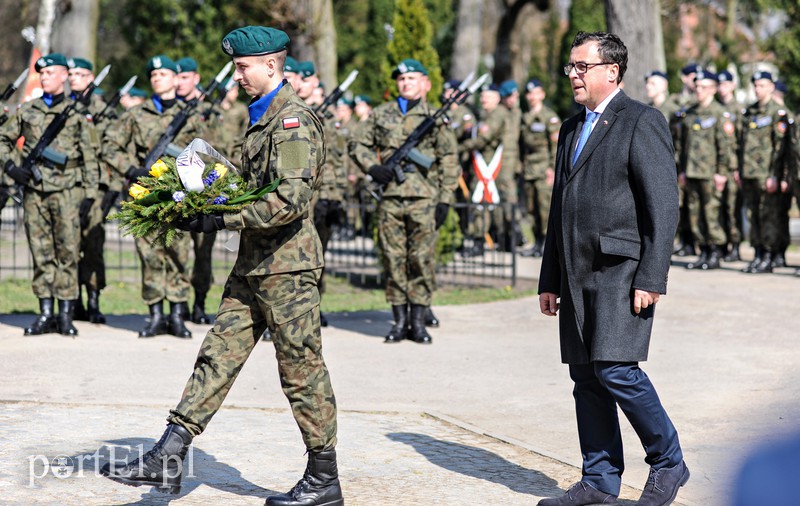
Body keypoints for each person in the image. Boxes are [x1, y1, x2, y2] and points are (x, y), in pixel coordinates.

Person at [101, 26, 342, 506]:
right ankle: (168, 455)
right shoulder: (259, 120)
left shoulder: (292, 122)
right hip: (254, 265)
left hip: (288, 270)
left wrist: (219, 218)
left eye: (244, 68)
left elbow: (290, 201)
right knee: (217, 356)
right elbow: (246, 189)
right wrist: (196, 198)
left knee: (300, 369)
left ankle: (323, 478)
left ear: (271, 65)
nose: (238, 77)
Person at [537, 31, 688, 506]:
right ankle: (599, 479)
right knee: (585, 375)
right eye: (571, 67)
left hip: (621, 270)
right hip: (576, 273)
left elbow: (663, 206)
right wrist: (549, 278)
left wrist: (651, 276)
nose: (574, 76)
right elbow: (559, 207)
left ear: (612, 71)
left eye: (583, 67)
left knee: (617, 369)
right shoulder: (569, 127)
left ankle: (669, 462)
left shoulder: (641, 121)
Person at [349, 58, 459, 344]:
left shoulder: (435, 116)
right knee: (393, 260)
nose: (406, 83)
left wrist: (445, 199)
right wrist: (372, 168)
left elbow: (449, 159)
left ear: (425, 83)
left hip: (425, 199)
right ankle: (398, 322)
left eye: (412, 78)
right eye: (401, 79)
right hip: (391, 200)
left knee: (421, 260)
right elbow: (356, 143)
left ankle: (418, 322)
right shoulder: (380, 114)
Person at [103, 54, 202, 338]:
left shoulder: (191, 115)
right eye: (154, 76)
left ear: (175, 78)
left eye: (164, 75)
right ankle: (156, 315)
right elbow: (110, 146)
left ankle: (177, 315)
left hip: (181, 195)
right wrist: (130, 168)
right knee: (149, 254)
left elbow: (207, 152)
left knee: (179, 254)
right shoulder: (136, 114)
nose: (158, 79)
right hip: (145, 195)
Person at [0, 53, 99, 337]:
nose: (44, 77)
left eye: (50, 72)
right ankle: (45, 313)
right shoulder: (27, 110)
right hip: (35, 192)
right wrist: (11, 168)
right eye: (41, 73)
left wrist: (90, 195)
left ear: (65, 75)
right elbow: (3, 138)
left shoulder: (78, 114)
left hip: (68, 192)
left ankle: (65, 315)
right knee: (41, 252)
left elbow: (89, 155)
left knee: (67, 252)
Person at [676, 69, 736, 270]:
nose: (698, 90)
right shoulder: (690, 113)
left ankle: (715, 251)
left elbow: (725, 146)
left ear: (712, 89)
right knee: (695, 213)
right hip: (692, 171)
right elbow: (683, 146)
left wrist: (721, 172)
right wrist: (682, 170)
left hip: (711, 174)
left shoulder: (720, 113)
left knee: (712, 214)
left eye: (703, 87)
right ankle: (703, 250)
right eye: (697, 86)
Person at [66, 57, 110, 324]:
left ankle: (93, 300)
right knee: (69, 246)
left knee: (93, 246)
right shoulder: (65, 107)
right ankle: (73, 302)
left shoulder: (103, 110)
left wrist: (108, 189)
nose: (74, 78)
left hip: (96, 186)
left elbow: (108, 150)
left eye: (80, 74)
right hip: (69, 185)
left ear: (91, 78)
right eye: (70, 74)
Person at [176, 56, 217, 325]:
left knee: (204, 251)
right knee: (177, 249)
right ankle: (178, 306)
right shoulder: (172, 112)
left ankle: (199, 302)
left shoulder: (213, 113)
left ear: (196, 78)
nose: (179, 83)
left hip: (208, 189)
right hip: (178, 191)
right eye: (176, 78)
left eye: (184, 77)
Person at [739, 70, 792, 273]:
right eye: (756, 85)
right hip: (750, 172)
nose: (757, 89)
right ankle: (758, 253)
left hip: (767, 174)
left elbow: (780, 148)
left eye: (762, 85)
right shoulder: (750, 112)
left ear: (771, 86)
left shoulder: (778, 112)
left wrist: (775, 175)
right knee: (753, 215)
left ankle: (769, 255)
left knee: (768, 215)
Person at [520, 78, 561, 257]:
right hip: (529, 170)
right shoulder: (525, 117)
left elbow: (556, 146)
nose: (532, 97)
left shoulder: (549, 117)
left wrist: (552, 168)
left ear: (542, 94)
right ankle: (537, 242)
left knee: (545, 208)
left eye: (535, 93)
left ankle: (547, 244)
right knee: (532, 208)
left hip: (544, 169)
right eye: (529, 93)